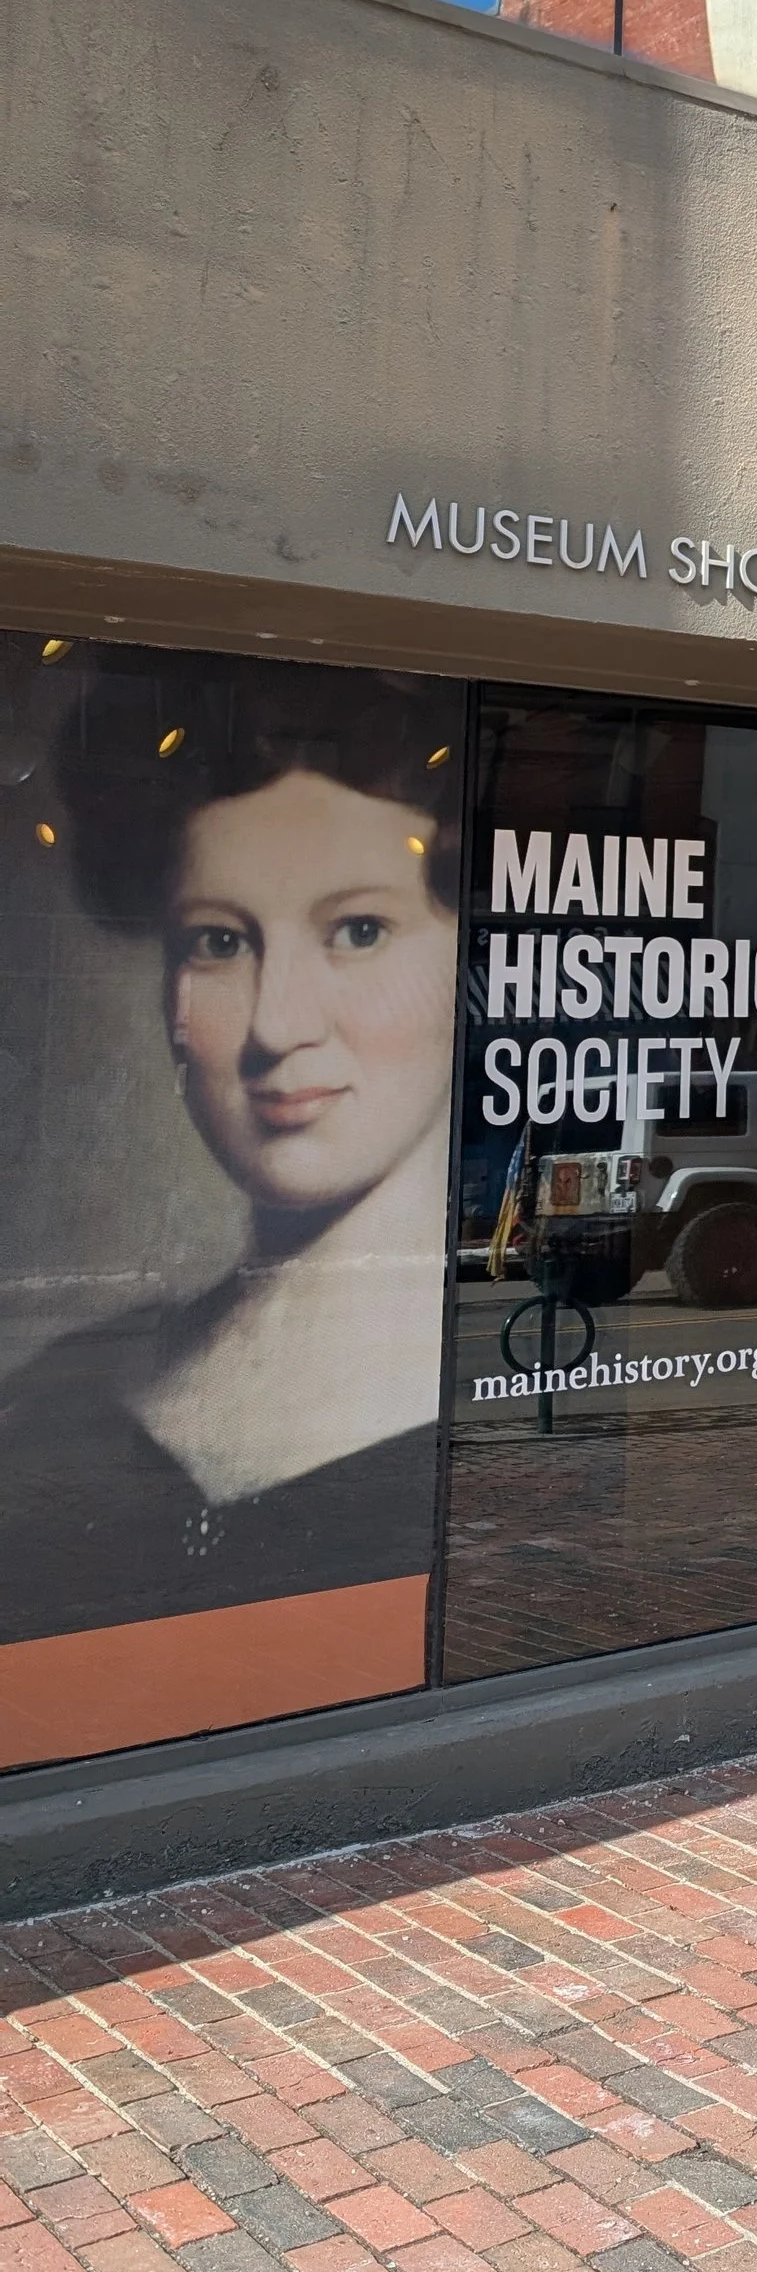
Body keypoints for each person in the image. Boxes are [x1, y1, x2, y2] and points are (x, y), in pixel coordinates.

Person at [0, 658, 462, 1644]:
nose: (278, 1023)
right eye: (218, 942)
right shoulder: (62, 1392)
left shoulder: (500, 1394)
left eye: (361, 928)